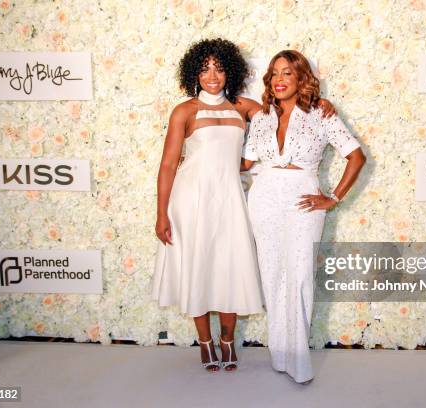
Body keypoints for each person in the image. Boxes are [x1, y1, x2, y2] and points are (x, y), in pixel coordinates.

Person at [152, 39, 336, 372]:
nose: (212, 75)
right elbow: (167, 165)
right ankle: (205, 342)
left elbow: (284, 106)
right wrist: (161, 213)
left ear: (230, 72)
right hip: (191, 199)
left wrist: (319, 101)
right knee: (198, 265)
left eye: (219, 68)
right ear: (195, 71)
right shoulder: (185, 111)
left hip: (231, 198)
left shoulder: (243, 107)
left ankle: (227, 340)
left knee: (230, 267)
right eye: (205, 68)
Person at [241, 50, 366, 383]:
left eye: (288, 74)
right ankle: (279, 355)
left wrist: (333, 198)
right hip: (264, 196)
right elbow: (246, 163)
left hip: (302, 199)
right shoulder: (261, 116)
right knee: (272, 275)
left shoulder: (321, 115)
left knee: (298, 277)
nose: (280, 80)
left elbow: (356, 157)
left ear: (301, 78)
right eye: (275, 74)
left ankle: (298, 360)